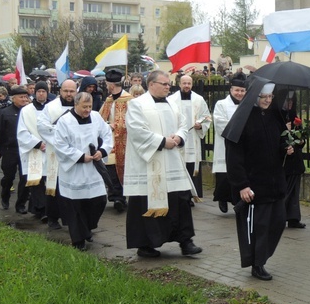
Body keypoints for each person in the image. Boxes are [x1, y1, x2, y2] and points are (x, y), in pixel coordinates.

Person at [123, 70, 202, 258]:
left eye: (169, 84)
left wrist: (179, 137)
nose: (168, 86)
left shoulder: (173, 105)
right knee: (145, 203)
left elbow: (184, 125)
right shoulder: (137, 104)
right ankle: (145, 244)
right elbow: (136, 131)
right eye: (164, 84)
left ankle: (186, 241)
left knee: (180, 200)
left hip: (172, 162)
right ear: (151, 84)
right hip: (148, 163)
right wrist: (161, 141)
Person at [222, 76, 292, 281]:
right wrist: (242, 185)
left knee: (278, 223)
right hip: (254, 185)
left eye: (271, 96)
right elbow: (234, 157)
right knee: (259, 227)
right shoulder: (242, 120)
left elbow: (276, 144)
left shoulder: (273, 117)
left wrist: (285, 148)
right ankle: (257, 262)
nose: (268, 100)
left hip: (275, 183)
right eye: (264, 96)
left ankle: (263, 257)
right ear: (254, 96)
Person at [52, 92, 112, 251]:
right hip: (74, 170)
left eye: (89, 106)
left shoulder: (96, 117)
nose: (87, 110)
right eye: (84, 107)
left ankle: (87, 228)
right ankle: (78, 240)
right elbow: (60, 145)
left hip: (93, 167)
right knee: (76, 206)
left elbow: (107, 134)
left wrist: (103, 151)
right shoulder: (65, 121)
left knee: (99, 201)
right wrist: (79, 156)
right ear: (75, 105)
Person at [37, 79, 78, 230]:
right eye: (66, 91)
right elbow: (42, 126)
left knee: (72, 187)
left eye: (72, 91)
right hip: (55, 152)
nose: (69, 94)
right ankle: (53, 218)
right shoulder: (50, 107)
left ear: (76, 91)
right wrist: (62, 137)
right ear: (60, 91)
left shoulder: (80, 105)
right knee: (54, 186)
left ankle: (71, 220)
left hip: (74, 153)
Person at [167, 75, 211, 200]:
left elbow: (206, 116)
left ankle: (191, 196)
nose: (186, 85)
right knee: (179, 166)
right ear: (179, 84)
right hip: (178, 138)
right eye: (184, 83)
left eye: (189, 83)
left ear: (192, 84)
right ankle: (181, 195)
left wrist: (200, 125)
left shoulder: (199, 99)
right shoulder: (171, 99)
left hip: (192, 138)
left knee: (191, 166)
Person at [0, 85, 31, 212]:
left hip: (26, 150)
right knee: (9, 177)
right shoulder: (5, 112)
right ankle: (5, 196)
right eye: (21, 97)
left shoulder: (30, 112)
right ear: (13, 98)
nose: (24, 99)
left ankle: (21, 204)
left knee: (25, 178)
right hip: (10, 150)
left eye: (26, 97)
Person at [16, 81, 50, 221]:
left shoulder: (51, 108)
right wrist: (37, 144)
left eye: (44, 91)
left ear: (47, 93)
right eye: (39, 91)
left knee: (49, 180)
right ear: (34, 93)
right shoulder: (26, 110)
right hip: (34, 150)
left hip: (50, 149)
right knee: (37, 181)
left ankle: (40, 208)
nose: (41, 94)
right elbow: (22, 132)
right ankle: (42, 211)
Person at [211, 78, 246, 213]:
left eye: (242, 91)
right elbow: (220, 123)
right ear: (231, 90)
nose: (239, 93)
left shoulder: (247, 104)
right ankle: (222, 198)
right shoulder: (221, 104)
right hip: (226, 143)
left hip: (242, 144)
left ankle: (238, 201)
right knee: (224, 176)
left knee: (239, 173)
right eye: (237, 90)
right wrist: (239, 131)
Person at [98, 68, 131, 211]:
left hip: (125, 140)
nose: (106, 86)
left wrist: (115, 125)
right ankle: (117, 196)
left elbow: (133, 121)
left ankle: (122, 196)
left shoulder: (129, 100)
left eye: (106, 84)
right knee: (110, 168)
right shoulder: (109, 99)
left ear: (111, 84)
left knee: (124, 169)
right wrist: (106, 126)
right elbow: (100, 118)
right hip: (110, 140)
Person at [278, 91, 306, 229]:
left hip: (295, 160)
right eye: (287, 101)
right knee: (285, 191)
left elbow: (301, 137)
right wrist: (285, 133)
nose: (289, 104)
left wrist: (301, 142)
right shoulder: (277, 117)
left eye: (291, 101)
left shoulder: (294, 117)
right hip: (284, 161)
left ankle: (293, 217)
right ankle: (280, 216)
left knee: (294, 191)